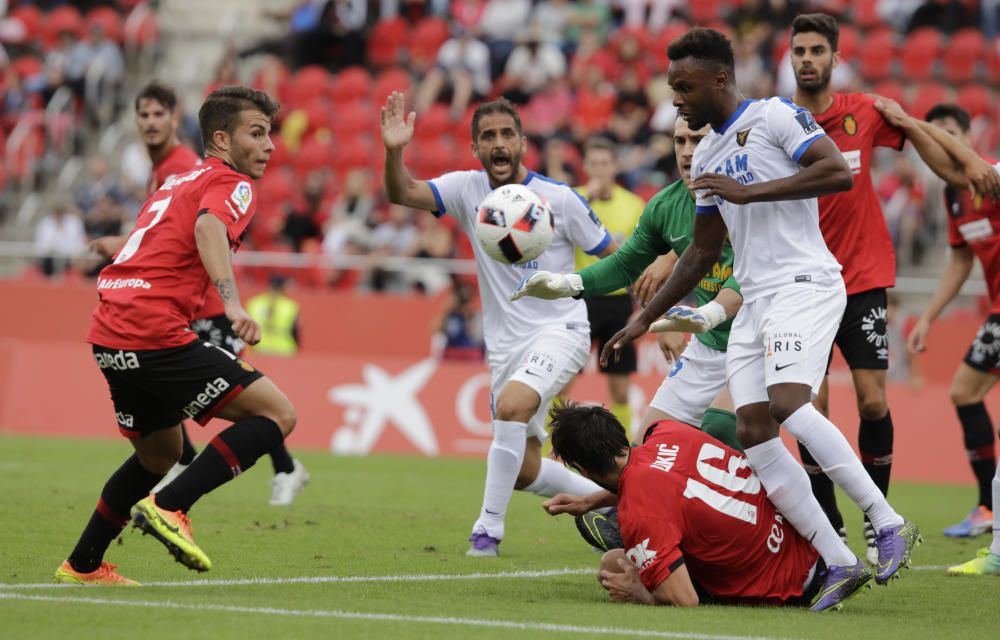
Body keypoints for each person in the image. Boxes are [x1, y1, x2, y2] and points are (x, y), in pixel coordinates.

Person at [600, 28, 921, 605]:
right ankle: (840, 559)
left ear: (719, 78)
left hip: (805, 283)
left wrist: (750, 194)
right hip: (755, 300)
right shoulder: (710, 156)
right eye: (673, 87)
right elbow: (700, 252)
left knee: (789, 403)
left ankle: (887, 519)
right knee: (754, 432)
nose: (676, 97)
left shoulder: (776, 116)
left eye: (684, 86)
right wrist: (647, 316)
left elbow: (836, 173)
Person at [54, 86, 295, 586]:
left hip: (109, 330)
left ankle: (83, 564)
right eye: (257, 133)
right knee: (278, 414)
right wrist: (231, 302)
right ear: (222, 140)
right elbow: (210, 229)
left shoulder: (176, 182)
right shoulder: (233, 184)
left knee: (159, 454)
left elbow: (159, 237)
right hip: (151, 327)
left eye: (270, 134)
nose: (269, 146)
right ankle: (171, 505)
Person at [787, 13, 1000, 561]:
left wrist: (962, 163)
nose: (808, 59)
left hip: (862, 279)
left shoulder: (864, 111)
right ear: (790, 59)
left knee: (872, 399)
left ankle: (877, 518)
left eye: (817, 50)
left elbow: (924, 148)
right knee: (812, 404)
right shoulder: (777, 122)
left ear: (835, 59)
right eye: (799, 51)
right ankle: (826, 520)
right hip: (805, 282)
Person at [381, 93, 618, 557]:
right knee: (526, 469)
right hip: (505, 345)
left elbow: (614, 257)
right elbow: (401, 192)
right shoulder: (468, 189)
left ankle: (487, 531)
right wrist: (394, 150)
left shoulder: (560, 199)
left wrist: (639, 311)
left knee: (511, 407)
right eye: (488, 137)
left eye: (507, 134)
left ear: (522, 142)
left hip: (562, 330)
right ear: (475, 148)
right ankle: (614, 504)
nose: (499, 143)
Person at [92, 82, 309, 508]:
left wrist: (229, 303)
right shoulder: (175, 173)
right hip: (172, 310)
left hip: (199, 309)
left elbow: (205, 225)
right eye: (144, 114)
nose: (151, 123)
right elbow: (165, 235)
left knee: (254, 404)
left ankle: (270, 470)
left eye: (159, 114)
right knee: (225, 404)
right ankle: (179, 485)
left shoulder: (190, 167)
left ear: (176, 120)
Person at [512, 116, 743, 451]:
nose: (687, 152)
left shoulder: (745, 198)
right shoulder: (664, 206)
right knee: (645, 448)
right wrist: (565, 283)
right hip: (706, 342)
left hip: (757, 337)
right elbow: (625, 264)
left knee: (723, 427)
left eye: (698, 140)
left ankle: (799, 501)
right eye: (680, 142)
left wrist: (695, 315)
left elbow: (751, 274)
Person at [543, 402, 848, 611]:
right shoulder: (666, 432)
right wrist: (588, 501)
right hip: (808, 546)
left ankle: (646, 546)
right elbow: (666, 480)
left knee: (612, 566)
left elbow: (685, 601)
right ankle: (649, 548)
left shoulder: (640, 509)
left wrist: (640, 594)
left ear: (583, 469)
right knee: (623, 554)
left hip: (785, 587)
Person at [889, 102, 1000, 543]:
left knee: (963, 391)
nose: (943, 144)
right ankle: (988, 506)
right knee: (964, 393)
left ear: (971, 138)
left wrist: (908, 122)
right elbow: (959, 261)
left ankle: (989, 507)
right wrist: (928, 318)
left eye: (950, 134)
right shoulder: (953, 196)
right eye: (934, 137)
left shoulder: (989, 178)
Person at [572, 136, 646, 434]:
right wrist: (586, 201)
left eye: (605, 164)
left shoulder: (633, 205)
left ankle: (625, 447)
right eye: (594, 164)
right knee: (563, 379)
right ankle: (549, 451)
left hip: (618, 301)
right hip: (580, 298)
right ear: (585, 167)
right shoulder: (572, 200)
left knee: (619, 386)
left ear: (615, 166)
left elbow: (644, 257)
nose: (600, 170)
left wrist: (639, 306)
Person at [247, 274, 301, 357]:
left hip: (259, 348)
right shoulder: (290, 306)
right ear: (283, 287)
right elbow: (296, 330)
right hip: (284, 350)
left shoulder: (254, 303)